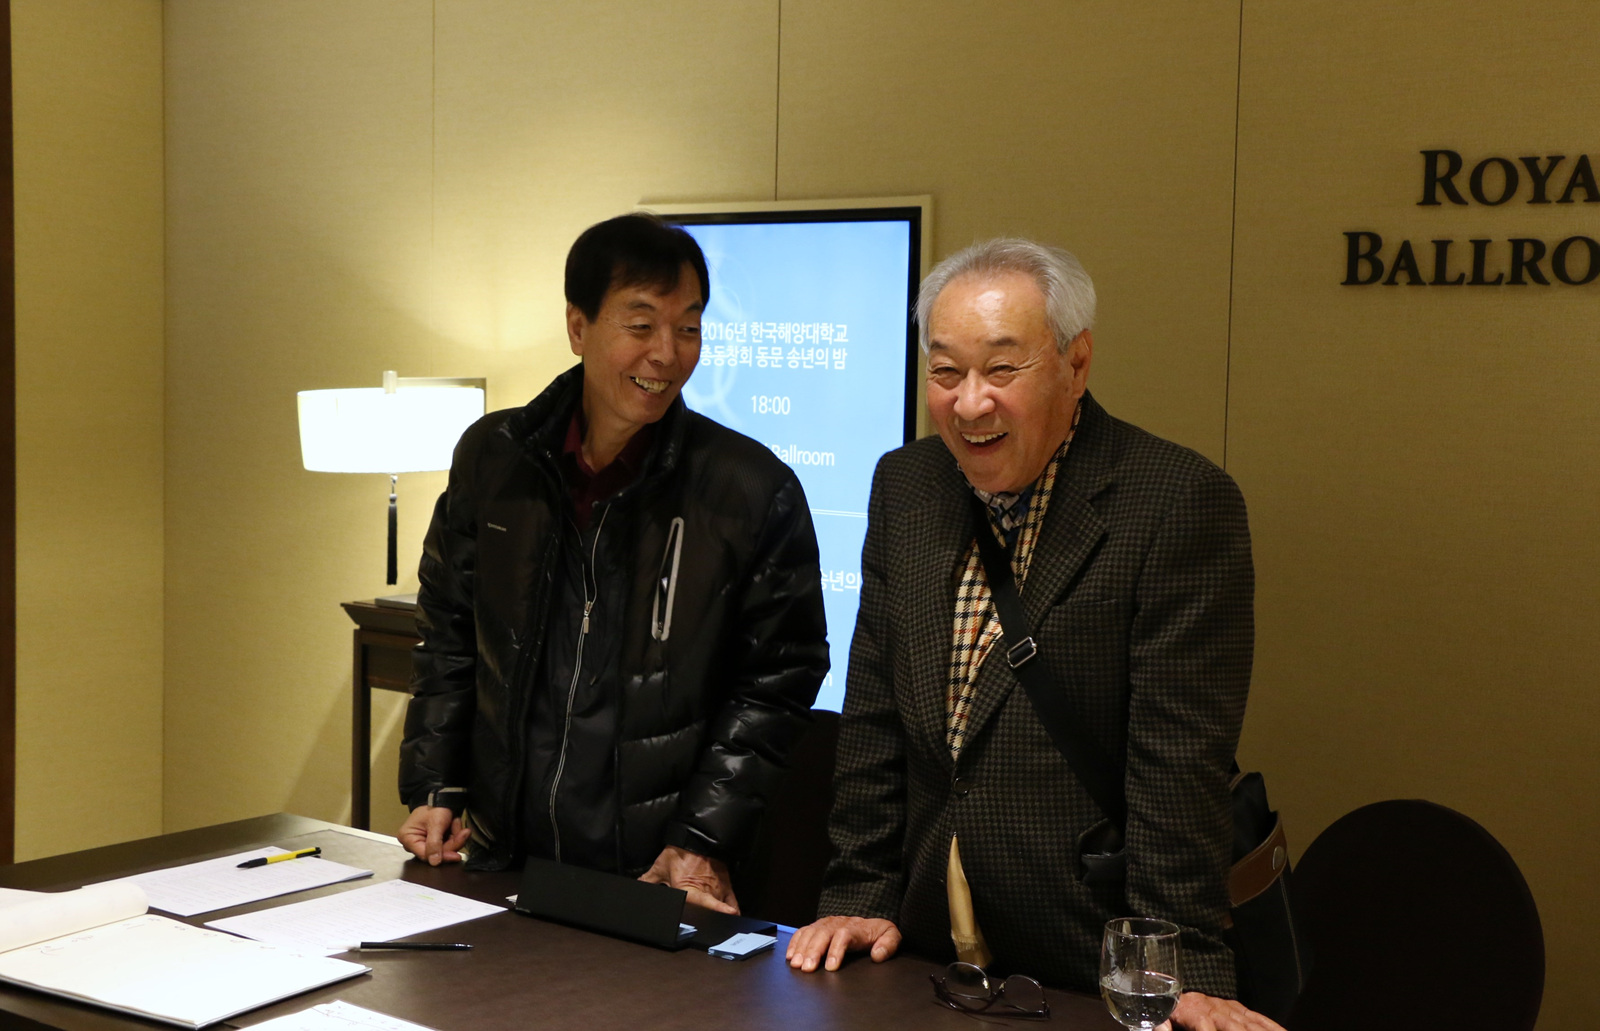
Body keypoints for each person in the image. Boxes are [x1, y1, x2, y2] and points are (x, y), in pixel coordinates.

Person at [787, 239, 1282, 1031]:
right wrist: (859, 892)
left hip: (1090, 957)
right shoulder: (906, 485)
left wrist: (1174, 968)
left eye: (1001, 369)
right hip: (926, 954)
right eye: (945, 372)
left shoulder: (1175, 502)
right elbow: (875, 713)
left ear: (1075, 364)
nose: (969, 403)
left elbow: (1178, 762)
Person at [396, 213, 829, 915]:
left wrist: (702, 837)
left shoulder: (750, 488)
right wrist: (435, 786)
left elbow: (779, 680)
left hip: (657, 873)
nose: (667, 353)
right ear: (579, 326)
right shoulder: (495, 458)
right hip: (502, 858)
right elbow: (448, 633)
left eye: (688, 328)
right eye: (641, 325)